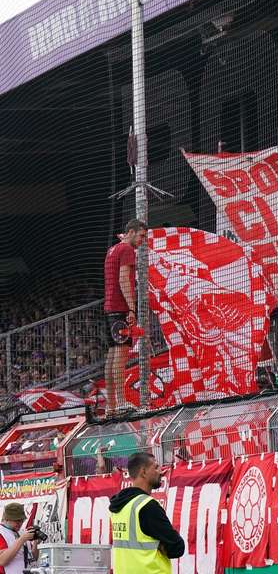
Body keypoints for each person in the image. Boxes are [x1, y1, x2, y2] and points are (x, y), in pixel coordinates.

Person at [109, 452, 184, 573]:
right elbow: (177, 547)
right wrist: (160, 545)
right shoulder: (147, 506)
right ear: (143, 472)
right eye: (155, 467)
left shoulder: (120, 506)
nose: (161, 471)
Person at [103, 219, 147, 415]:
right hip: (120, 308)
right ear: (131, 231)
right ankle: (120, 403)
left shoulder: (113, 250)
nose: (142, 241)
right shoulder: (127, 250)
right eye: (141, 236)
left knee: (112, 359)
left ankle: (110, 406)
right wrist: (131, 308)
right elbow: (123, 279)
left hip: (110, 307)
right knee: (119, 360)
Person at [0, 503, 39, 574]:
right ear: (7, 519)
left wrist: (36, 542)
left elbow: (33, 558)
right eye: (17, 520)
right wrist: (21, 540)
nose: (20, 523)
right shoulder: (1, 533)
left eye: (22, 520)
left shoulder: (22, 532)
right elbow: (2, 561)